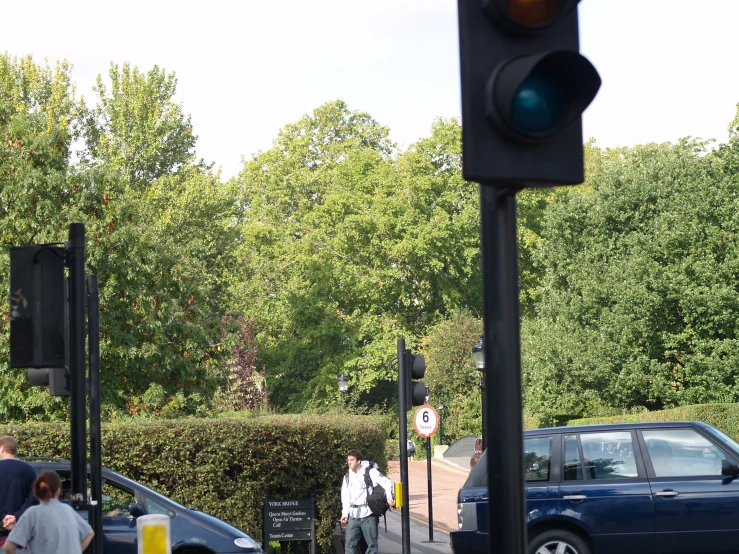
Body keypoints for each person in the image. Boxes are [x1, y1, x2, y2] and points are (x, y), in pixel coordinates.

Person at [4, 470, 94, 554]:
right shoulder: (68, 510)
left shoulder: (32, 514)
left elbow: (9, 547)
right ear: (59, 491)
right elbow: (90, 533)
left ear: (35, 491)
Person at [340, 449, 394, 554]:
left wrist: (388, 496)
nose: (349, 462)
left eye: (352, 460)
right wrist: (345, 513)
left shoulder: (370, 472)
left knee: (372, 545)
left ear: (359, 461)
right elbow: (345, 496)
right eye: (348, 460)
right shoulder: (347, 477)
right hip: (353, 515)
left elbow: (387, 483)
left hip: (368, 514)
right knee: (349, 544)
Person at [0, 436, 38, 542]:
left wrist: (3, 516)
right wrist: (16, 516)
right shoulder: (28, 470)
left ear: (2, 449)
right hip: (21, 526)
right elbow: (34, 497)